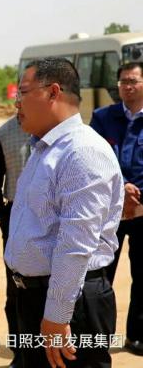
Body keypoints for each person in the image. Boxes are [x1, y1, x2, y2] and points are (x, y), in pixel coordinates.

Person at [5, 57, 124, 368]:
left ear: (52, 92)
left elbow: (75, 245)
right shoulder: (45, 148)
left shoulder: (82, 152)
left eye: (23, 92)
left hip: (71, 303)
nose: (17, 102)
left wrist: (57, 316)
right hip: (37, 298)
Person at [90, 61, 143, 356]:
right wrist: (122, 186)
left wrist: (137, 194)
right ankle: (98, 337)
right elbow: (94, 158)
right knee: (100, 274)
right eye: (123, 82)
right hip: (109, 209)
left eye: (133, 81)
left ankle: (137, 336)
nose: (127, 86)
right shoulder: (102, 118)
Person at [0, 115, 30, 368]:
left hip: (56, 216)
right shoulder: (2, 133)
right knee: (17, 288)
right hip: (15, 217)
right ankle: (21, 353)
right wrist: (1, 212)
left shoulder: (58, 130)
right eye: (19, 97)